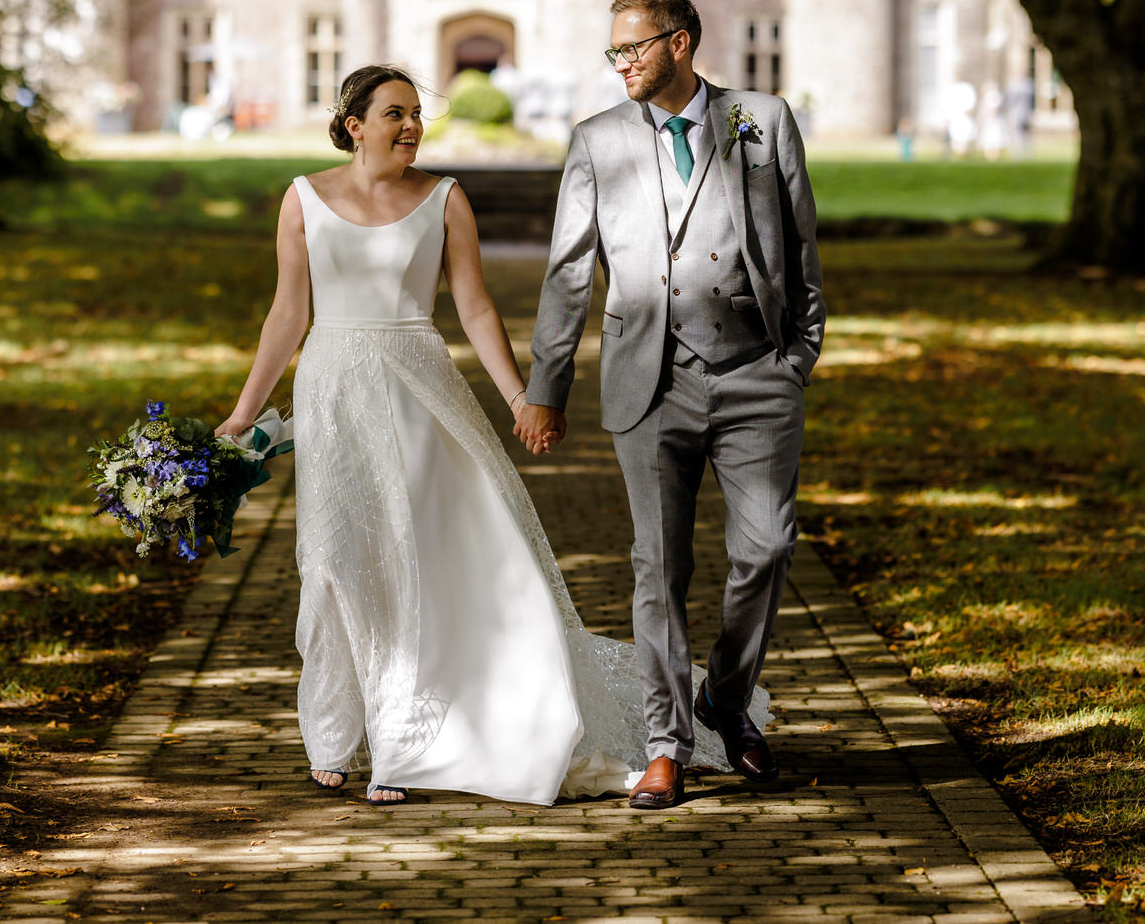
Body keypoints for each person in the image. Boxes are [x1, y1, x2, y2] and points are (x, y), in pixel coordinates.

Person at [214, 64, 748, 806]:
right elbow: (285, 314)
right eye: (393, 113)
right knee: (334, 558)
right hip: (332, 388)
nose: (410, 127)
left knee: (415, 558)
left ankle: (401, 745)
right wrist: (245, 412)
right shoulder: (303, 198)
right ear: (353, 124)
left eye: (416, 114)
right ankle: (332, 732)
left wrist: (521, 397)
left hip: (418, 390)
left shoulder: (444, 199)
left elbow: (475, 308)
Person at [516, 0, 824, 811]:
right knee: (659, 566)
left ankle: (725, 695)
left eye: (632, 48)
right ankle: (666, 743)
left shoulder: (761, 120)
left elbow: (801, 245)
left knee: (766, 549)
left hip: (758, 373)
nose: (619, 63)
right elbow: (568, 273)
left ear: (679, 43)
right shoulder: (596, 141)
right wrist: (547, 386)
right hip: (649, 381)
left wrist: (799, 355)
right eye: (613, 50)